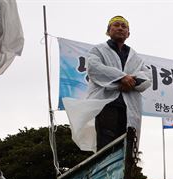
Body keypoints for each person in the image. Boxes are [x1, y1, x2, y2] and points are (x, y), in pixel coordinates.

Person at [63, 16, 153, 152]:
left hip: (129, 108)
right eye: (116, 25)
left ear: (128, 33)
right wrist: (121, 78)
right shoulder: (98, 50)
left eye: (124, 26)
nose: (120, 28)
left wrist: (130, 81)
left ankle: (124, 172)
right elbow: (95, 68)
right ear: (108, 31)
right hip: (106, 105)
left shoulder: (136, 57)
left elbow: (147, 77)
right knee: (106, 144)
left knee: (127, 146)